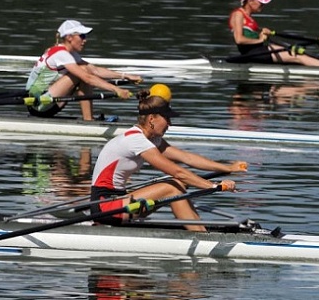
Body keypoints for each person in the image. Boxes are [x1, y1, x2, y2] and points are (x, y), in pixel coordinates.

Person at [90, 85, 248, 232]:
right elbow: (178, 171)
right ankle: (201, 236)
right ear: (152, 119)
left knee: (178, 184)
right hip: (105, 206)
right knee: (173, 186)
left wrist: (228, 168)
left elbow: (187, 158)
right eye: (167, 118)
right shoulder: (135, 140)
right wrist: (213, 186)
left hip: (119, 200)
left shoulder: (151, 139)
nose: (170, 124)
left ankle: (200, 232)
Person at [26, 20, 143, 121]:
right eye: (82, 36)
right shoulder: (61, 54)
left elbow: (95, 70)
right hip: (38, 103)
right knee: (83, 74)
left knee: (85, 70)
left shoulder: (70, 54)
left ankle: (88, 119)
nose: (85, 40)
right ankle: (88, 120)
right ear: (69, 37)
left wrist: (125, 76)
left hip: (51, 102)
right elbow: (88, 78)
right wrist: (116, 90)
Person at [228, 0, 319, 67]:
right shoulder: (238, 14)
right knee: (297, 56)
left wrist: (261, 32)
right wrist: (260, 39)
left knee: (293, 51)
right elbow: (239, 40)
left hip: (259, 50)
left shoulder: (248, 17)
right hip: (253, 53)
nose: (263, 5)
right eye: (261, 2)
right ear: (250, 1)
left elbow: (249, 33)